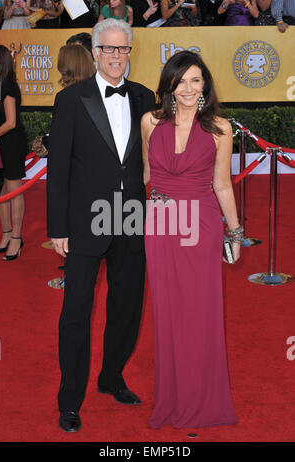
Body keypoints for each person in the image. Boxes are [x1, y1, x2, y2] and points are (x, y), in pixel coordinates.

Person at [47, 18, 155, 433]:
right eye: (109, 49)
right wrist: (58, 227)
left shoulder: (144, 97)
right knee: (76, 311)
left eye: (123, 49)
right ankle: (70, 399)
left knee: (126, 307)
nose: (116, 56)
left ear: (130, 52)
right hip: (83, 222)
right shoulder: (71, 100)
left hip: (130, 220)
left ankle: (111, 376)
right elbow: (57, 171)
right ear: (94, 53)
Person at [141, 50, 241, 429]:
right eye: (180, 80)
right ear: (169, 83)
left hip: (200, 226)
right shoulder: (150, 121)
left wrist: (235, 234)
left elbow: (221, 184)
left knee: (201, 314)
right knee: (167, 314)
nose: (187, 87)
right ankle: (172, 398)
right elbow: (146, 175)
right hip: (161, 226)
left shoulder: (220, 128)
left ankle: (202, 401)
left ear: (205, 85)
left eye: (195, 80)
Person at [0, 45, 27, 261]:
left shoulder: (8, 86)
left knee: (13, 190)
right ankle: (6, 233)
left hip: (11, 143)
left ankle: (16, 237)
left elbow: (11, 122)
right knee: (1, 192)